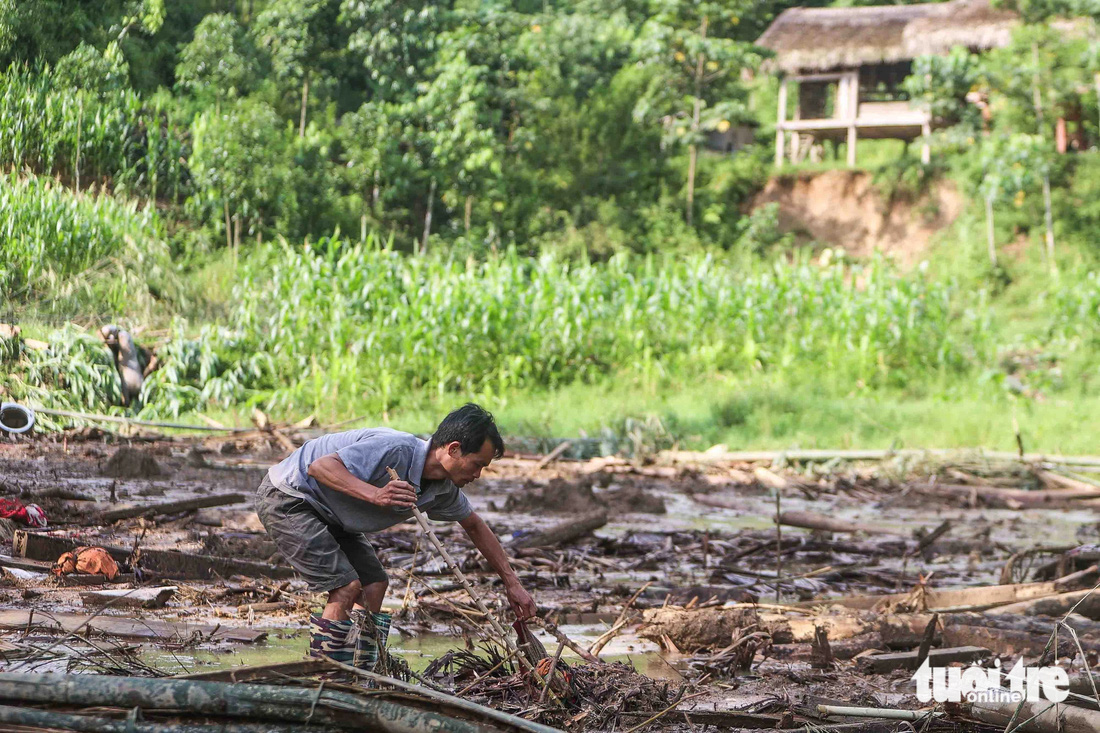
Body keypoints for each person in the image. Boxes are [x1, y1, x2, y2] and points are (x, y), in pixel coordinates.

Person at [255, 403, 536, 669]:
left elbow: (474, 526)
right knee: (346, 587)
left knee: (374, 583)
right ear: (453, 449)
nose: (478, 474)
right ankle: (326, 677)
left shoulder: (443, 489)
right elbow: (319, 467)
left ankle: (362, 670)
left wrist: (512, 583)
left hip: (333, 513)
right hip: (290, 496)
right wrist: (375, 494)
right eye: (477, 464)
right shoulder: (395, 449)